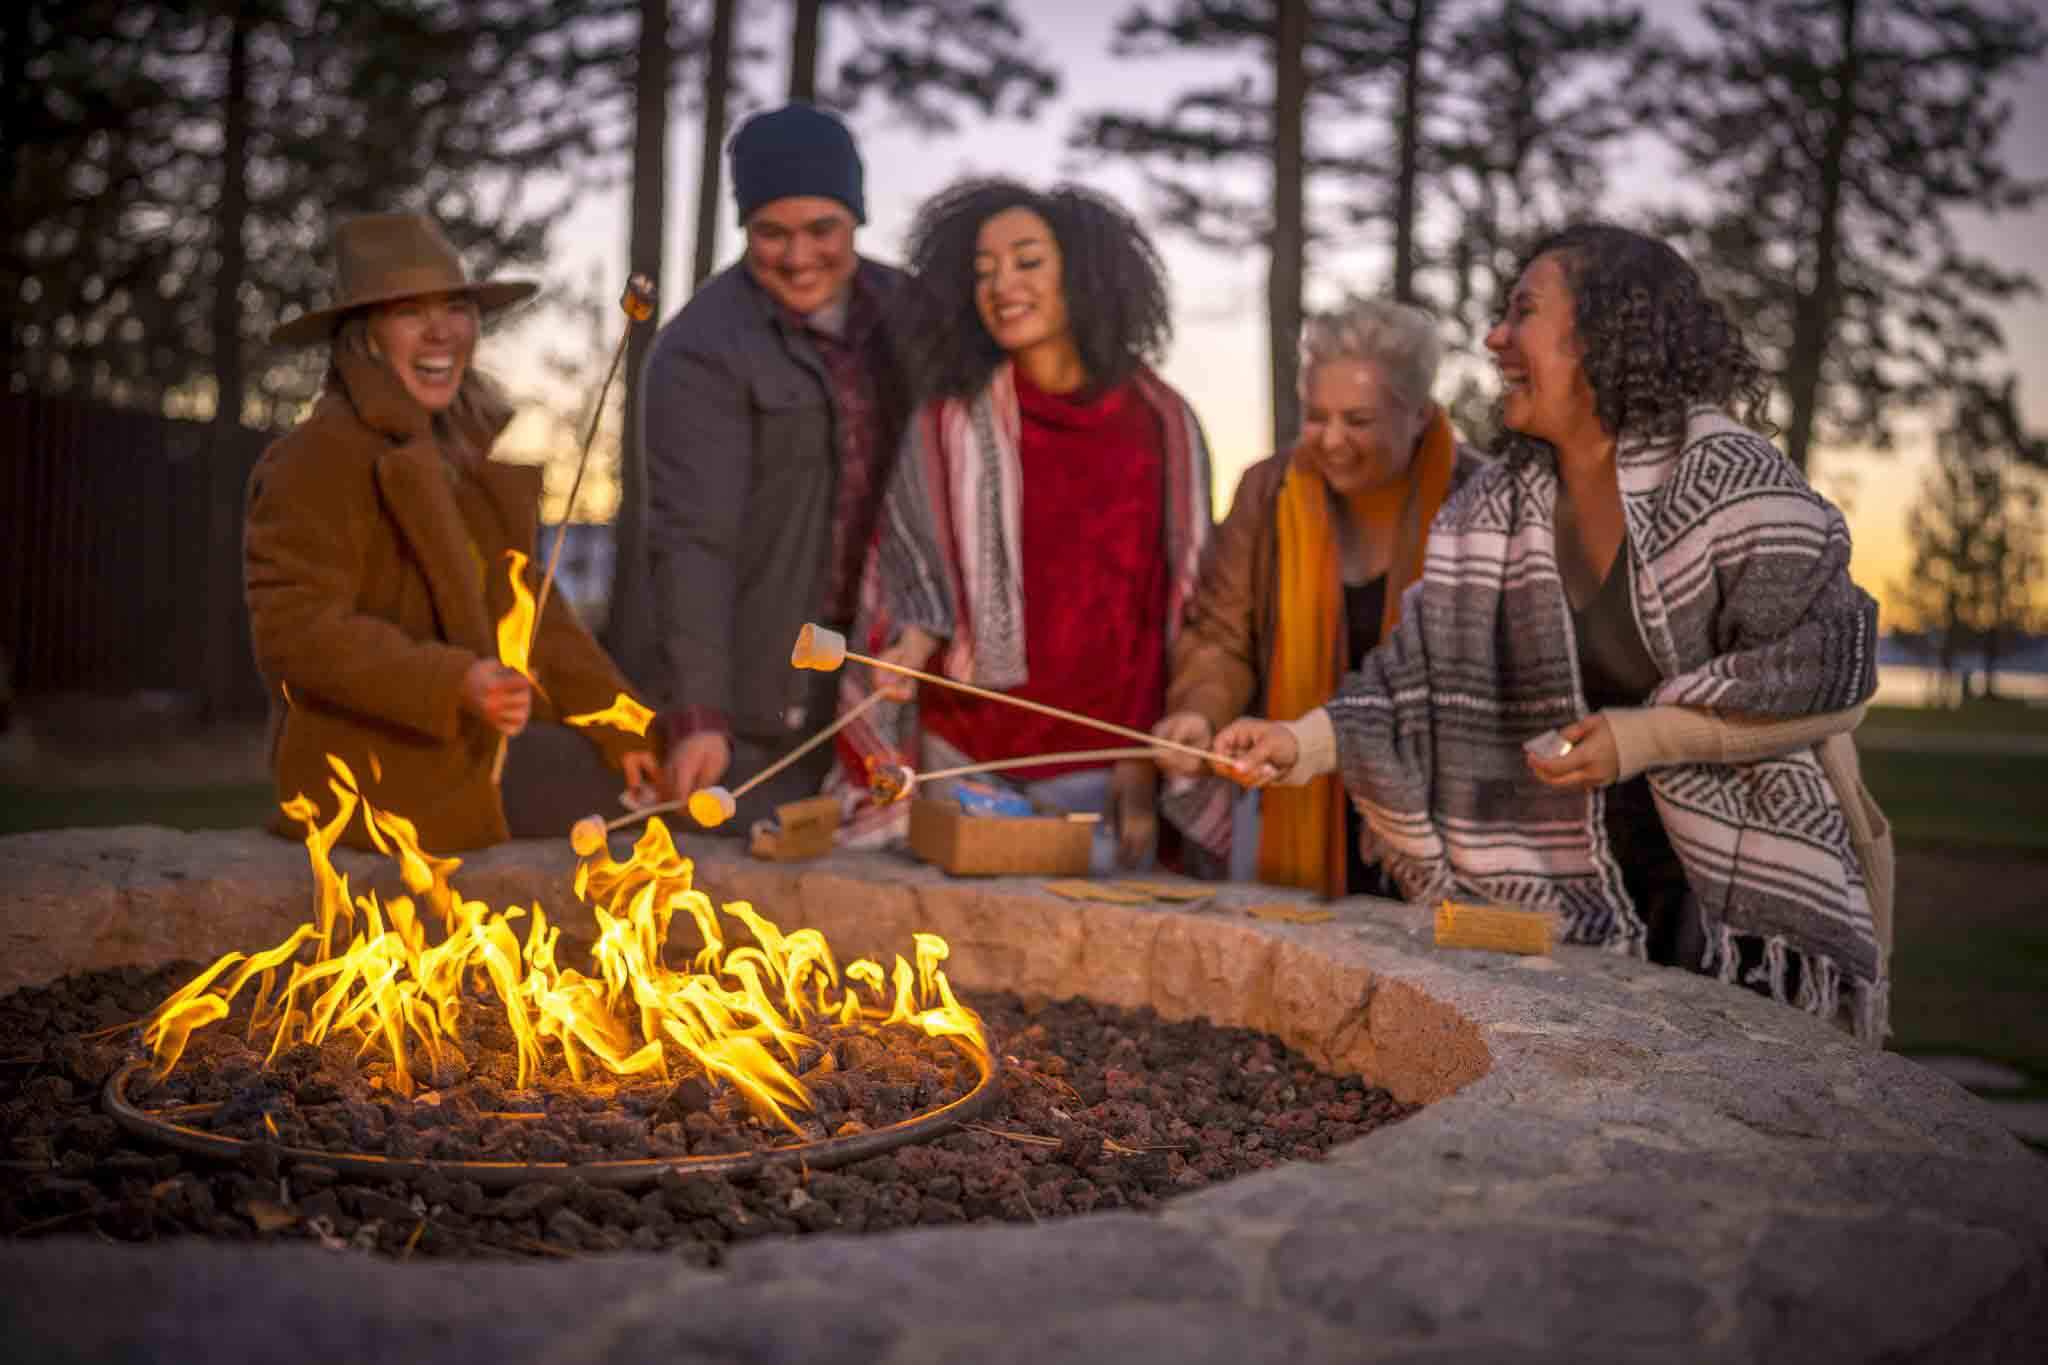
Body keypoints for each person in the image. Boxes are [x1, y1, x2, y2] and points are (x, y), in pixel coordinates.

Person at [1215, 224, 1893, 1040]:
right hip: (1566, 895)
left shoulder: (1731, 479)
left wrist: (1644, 736)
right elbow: (1410, 680)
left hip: (1735, 897)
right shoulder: (1491, 510)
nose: (1494, 337)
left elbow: (1831, 677)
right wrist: (1295, 743)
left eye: (1523, 312)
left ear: (1606, 334)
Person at [248, 211, 658, 852]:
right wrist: (454, 681)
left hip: (470, 753)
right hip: (370, 776)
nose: (441, 331)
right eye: (410, 311)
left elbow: (534, 616)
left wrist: (623, 725)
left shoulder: (460, 460)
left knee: (662, 788)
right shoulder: (317, 458)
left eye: (455, 307)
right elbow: (295, 633)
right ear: (365, 336)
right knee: (644, 823)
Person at [834, 179, 1214, 872]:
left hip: (1100, 777)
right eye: (983, 271)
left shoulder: (1163, 424)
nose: (1001, 283)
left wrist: (1140, 758)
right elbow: (908, 581)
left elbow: (1177, 611)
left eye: (1028, 260)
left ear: (1085, 268)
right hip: (964, 768)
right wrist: (907, 646)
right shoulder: (942, 424)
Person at [1152, 299, 1487, 895]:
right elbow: (1221, 630)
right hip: (1294, 788)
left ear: (1416, 415)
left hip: (1443, 810)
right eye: (1316, 416)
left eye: (1358, 421)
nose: (1331, 441)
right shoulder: (1270, 489)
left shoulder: (1480, 499)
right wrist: (1200, 712)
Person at [641, 103, 913, 831]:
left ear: (856, 218)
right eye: (771, 232)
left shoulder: (916, 314)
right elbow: (691, 542)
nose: (798, 257)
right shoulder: (700, 349)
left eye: (821, 229)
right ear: (744, 228)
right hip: (776, 689)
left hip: (903, 675)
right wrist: (699, 713)